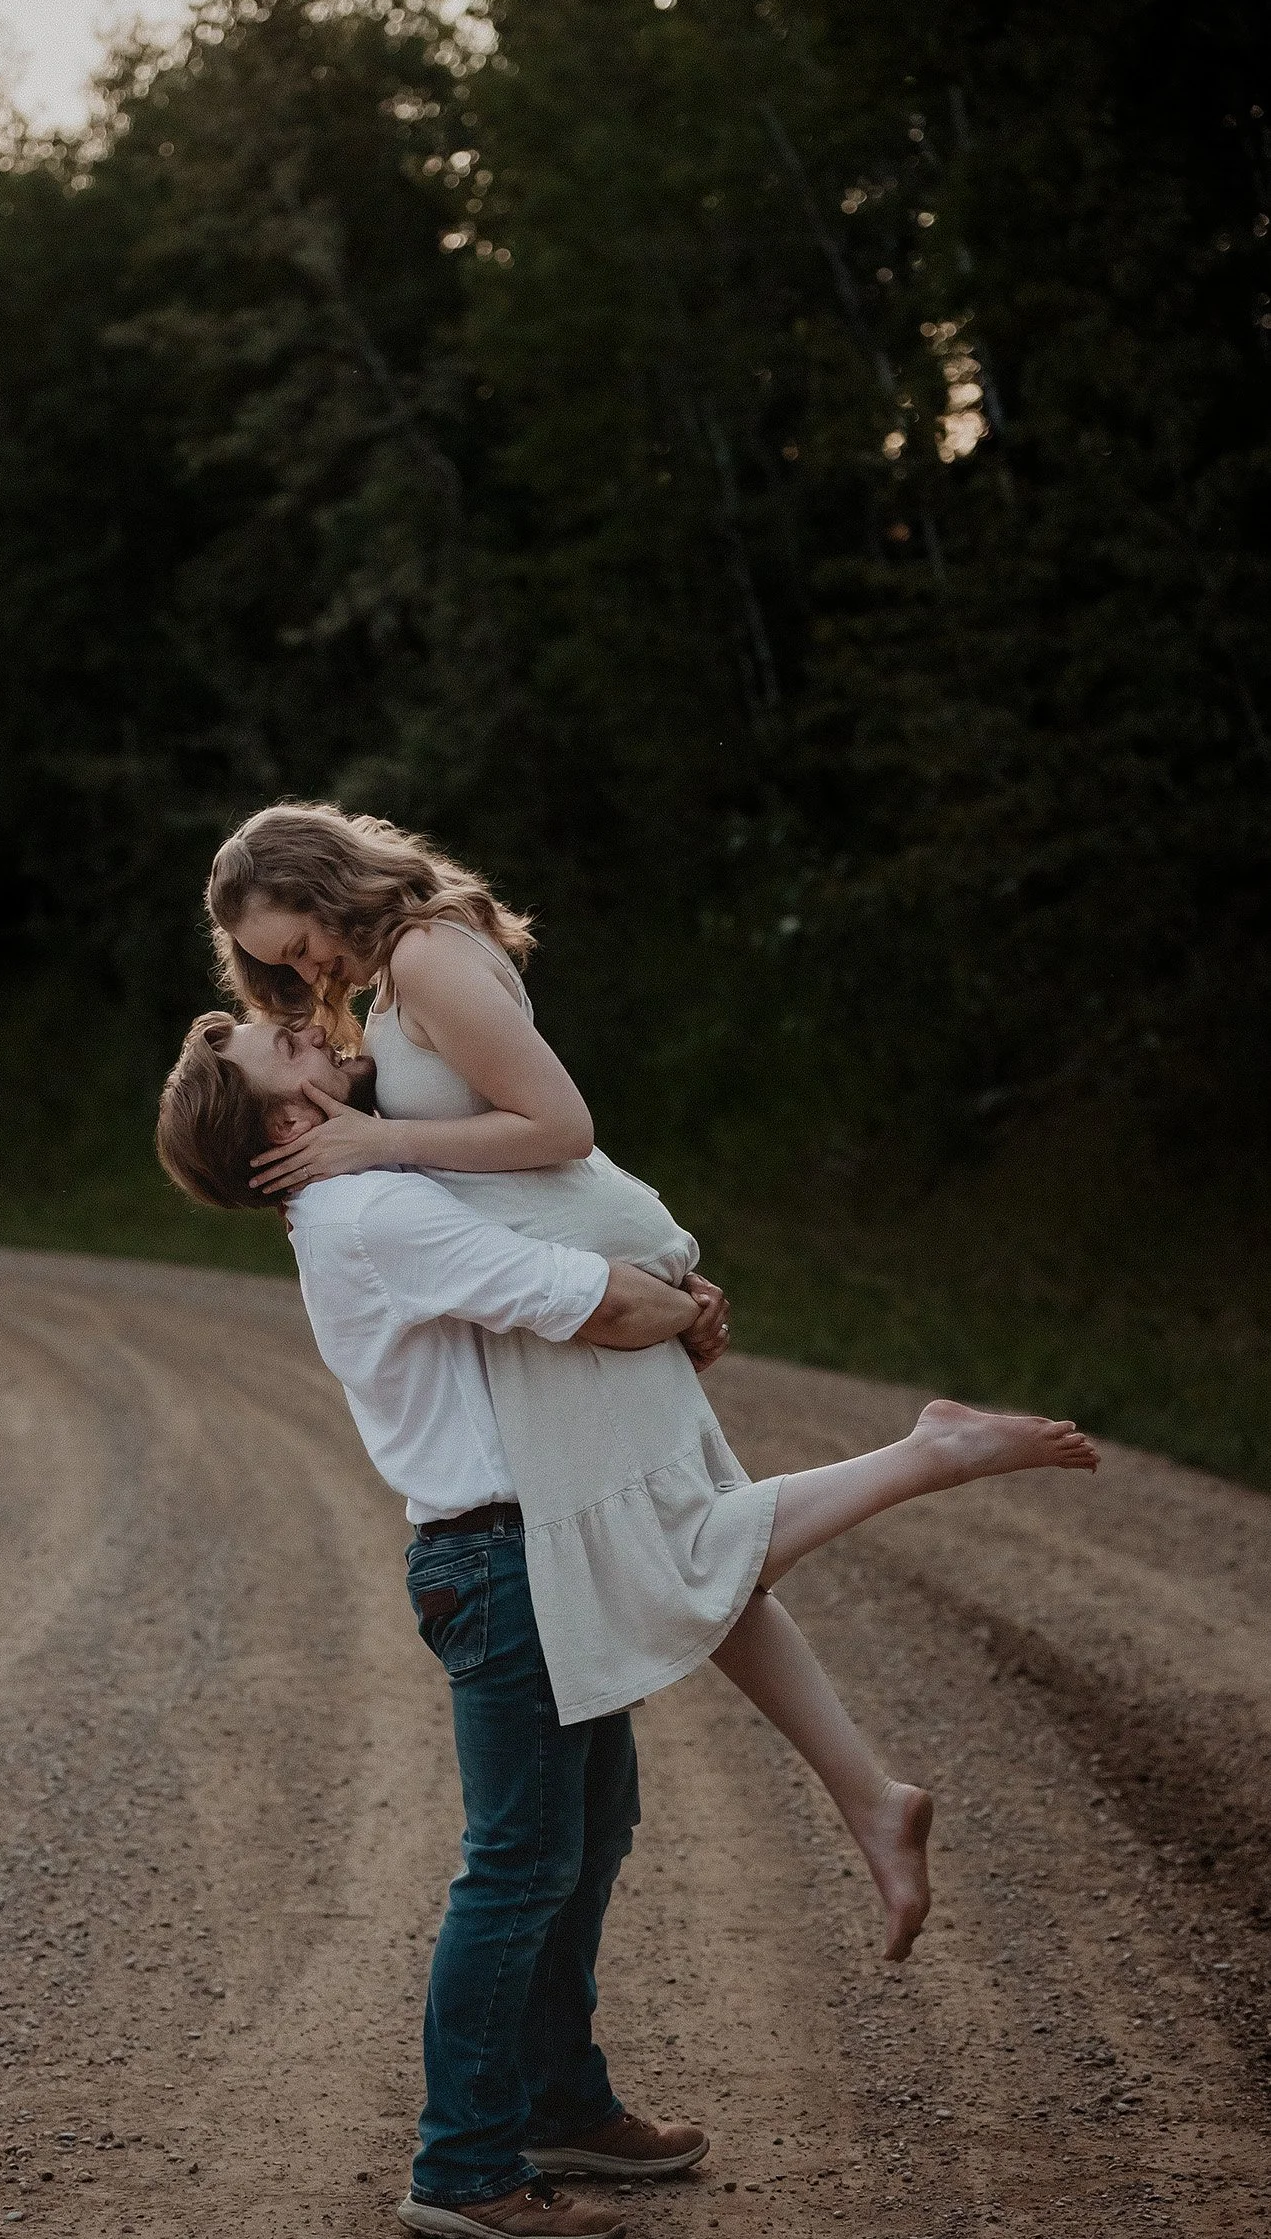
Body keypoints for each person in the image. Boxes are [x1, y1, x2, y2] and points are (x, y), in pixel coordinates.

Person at [154, 1012, 1098, 2239]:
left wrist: (672, 1298)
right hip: (499, 1561)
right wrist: (670, 1298)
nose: (296, 1024)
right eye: (269, 1049)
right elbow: (590, 1299)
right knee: (518, 1861)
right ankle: (462, 2166)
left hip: (525, 1545)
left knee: (584, 1836)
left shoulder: (381, 1189)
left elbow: (589, 1264)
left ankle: (558, 2105)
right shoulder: (372, 1215)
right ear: (282, 1125)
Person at [199, 804, 1097, 1950]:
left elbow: (560, 1126)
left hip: (578, 1279)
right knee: (693, 1550)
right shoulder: (398, 977)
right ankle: (870, 1800)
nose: (304, 968)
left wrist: (381, 1143)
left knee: (677, 1549)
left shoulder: (423, 954)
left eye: (301, 939)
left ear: (329, 882)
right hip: (574, 1281)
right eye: (279, 967)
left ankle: (932, 1452)